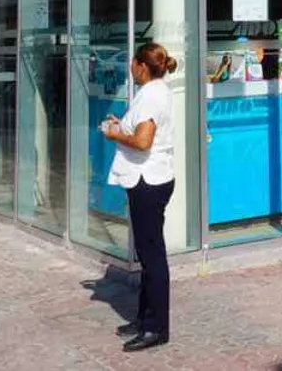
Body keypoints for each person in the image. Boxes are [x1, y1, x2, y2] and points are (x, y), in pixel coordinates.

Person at [103, 42, 176, 352]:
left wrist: (113, 133)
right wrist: (123, 126)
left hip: (148, 180)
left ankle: (156, 328)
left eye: (133, 62)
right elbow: (144, 131)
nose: (130, 67)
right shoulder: (156, 91)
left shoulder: (150, 95)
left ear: (142, 66)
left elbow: (143, 142)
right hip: (154, 178)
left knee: (152, 256)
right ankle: (145, 317)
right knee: (148, 254)